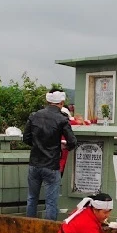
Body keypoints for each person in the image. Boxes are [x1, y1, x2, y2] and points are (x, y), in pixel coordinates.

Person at [24, 88, 77, 220]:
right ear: (62, 102)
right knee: (51, 202)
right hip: (52, 164)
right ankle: (49, 232)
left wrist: (37, 146)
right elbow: (72, 141)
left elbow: (26, 138)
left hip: (34, 162)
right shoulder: (62, 119)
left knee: (32, 198)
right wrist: (62, 146)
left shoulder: (34, 115)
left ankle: (29, 227)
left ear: (48, 101)